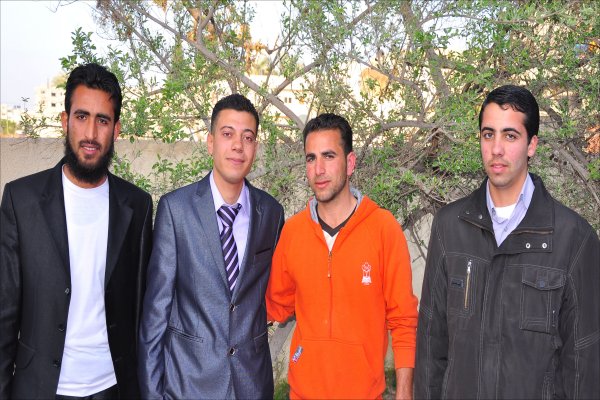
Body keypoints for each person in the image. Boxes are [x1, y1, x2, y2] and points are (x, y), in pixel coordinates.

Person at [414, 85, 600, 399]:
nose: (496, 149)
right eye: (488, 135)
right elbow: (432, 346)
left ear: (532, 145)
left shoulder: (574, 238)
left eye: (510, 136)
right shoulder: (449, 227)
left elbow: (583, 363)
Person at [0, 63, 153, 399]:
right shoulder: (20, 200)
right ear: (65, 121)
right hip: (39, 388)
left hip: (113, 387)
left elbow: (143, 311)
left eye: (103, 120)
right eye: (81, 116)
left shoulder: (137, 206)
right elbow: (4, 313)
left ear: (116, 129)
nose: (91, 133)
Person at [138, 94, 285, 399]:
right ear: (210, 142)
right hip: (188, 385)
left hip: (251, 385)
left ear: (255, 147)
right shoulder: (175, 210)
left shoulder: (271, 213)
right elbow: (155, 315)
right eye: (227, 134)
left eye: (248, 137)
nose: (238, 146)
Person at [266, 113, 419, 399]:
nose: (319, 169)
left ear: (350, 163)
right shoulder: (293, 232)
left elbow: (403, 319)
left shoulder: (383, 228)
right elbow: (275, 305)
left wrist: (404, 391)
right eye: (311, 158)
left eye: (328, 156)